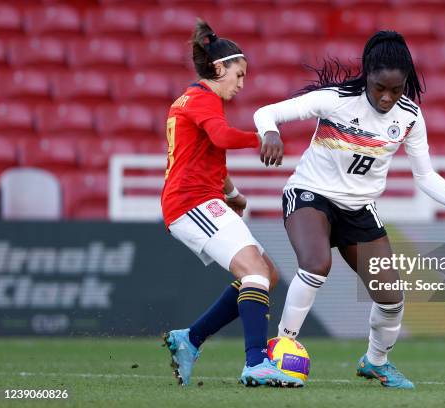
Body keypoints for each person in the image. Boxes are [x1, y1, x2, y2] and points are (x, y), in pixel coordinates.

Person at [253, 30, 445, 389]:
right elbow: (266, 112)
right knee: (317, 264)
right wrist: (270, 133)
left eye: (396, 90)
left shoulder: (410, 117)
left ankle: (376, 362)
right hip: (310, 195)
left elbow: (425, 176)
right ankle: (281, 346)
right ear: (367, 74)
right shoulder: (335, 100)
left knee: (392, 297)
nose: (387, 97)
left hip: (359, 209)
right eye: (380, 87)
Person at [160, 19, 303, 388]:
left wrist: (232, 193)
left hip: (204, 199)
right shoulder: (203, 98)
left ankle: (189, 340)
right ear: (219, 67)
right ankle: (256, 363)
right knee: (255, 273)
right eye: (238, 75)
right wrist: (263, 136)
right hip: (190, 204)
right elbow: (222, 137)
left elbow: (207, 153)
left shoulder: (195, 100)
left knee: (265, 275)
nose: (241, 85)